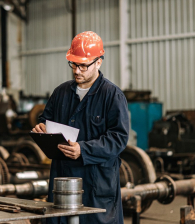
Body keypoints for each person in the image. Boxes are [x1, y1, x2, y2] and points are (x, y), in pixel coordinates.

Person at [32, 31, 129, 224]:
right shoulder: (60, 93)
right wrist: (41, 128)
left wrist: (83, 150)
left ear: (99, 62)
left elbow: (118, 138)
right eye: (74, 64)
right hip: (63, 180)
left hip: (96, 184)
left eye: (83, 65)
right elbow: (46, 119)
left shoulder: (112, 96)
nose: (77, 70)